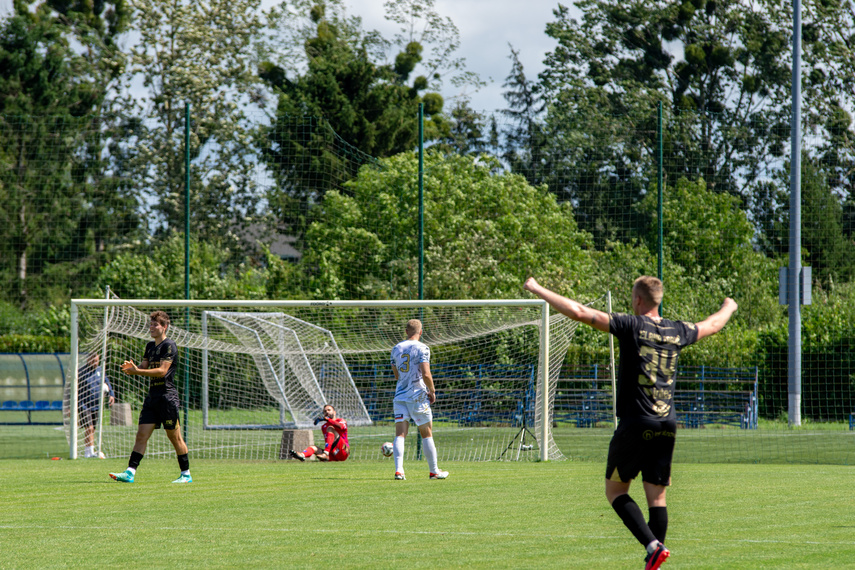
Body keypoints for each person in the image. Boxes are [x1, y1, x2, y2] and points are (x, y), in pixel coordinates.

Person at [523, 276, 737, 570]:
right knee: (657, 497)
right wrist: (729, 305)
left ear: (638, 300)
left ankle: (652, 546)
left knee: (616, 492)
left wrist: (537, 289)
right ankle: (654, 559)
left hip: (636, 422)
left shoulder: (631, 325)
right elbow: (713, 325)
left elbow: (580, 312)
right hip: (667, 424)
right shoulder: (677, 331)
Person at [109, 310, 192, 484]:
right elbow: (144, 366)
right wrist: (132, 369)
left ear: (165, 327)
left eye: (155, 324)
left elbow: (162, 371)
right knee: (141, 435)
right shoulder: (149, 346)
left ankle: (186, 474)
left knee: (175, 438)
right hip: (152, 398)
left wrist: (138, 371)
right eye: (151, 324)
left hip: (167, 398)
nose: (151, 327)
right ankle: (130, 473)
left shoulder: (169, 346)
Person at [389, 318, 448, 481]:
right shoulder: (423, 348)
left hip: (400, 395)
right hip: (417, 395)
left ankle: (399, 471)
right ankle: (434, 471)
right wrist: (432, 390)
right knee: (426, 433)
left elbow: (396, 375)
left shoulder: (396, 348)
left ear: (406, 331)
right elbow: (426, 373)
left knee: (400, 434)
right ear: (420, 332)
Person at [78, 352, 115, 458]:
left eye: (97, 361)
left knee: (92, 429)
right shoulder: (81, 372)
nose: (95, 363)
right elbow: (74, 389)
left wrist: (111, 394)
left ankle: (89, 452)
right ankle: (88, 453)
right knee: (89, 428)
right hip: (84, 404)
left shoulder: (100, 370)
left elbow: (107, 383)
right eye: (93, 361)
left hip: (97, 405)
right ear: (88, 360)